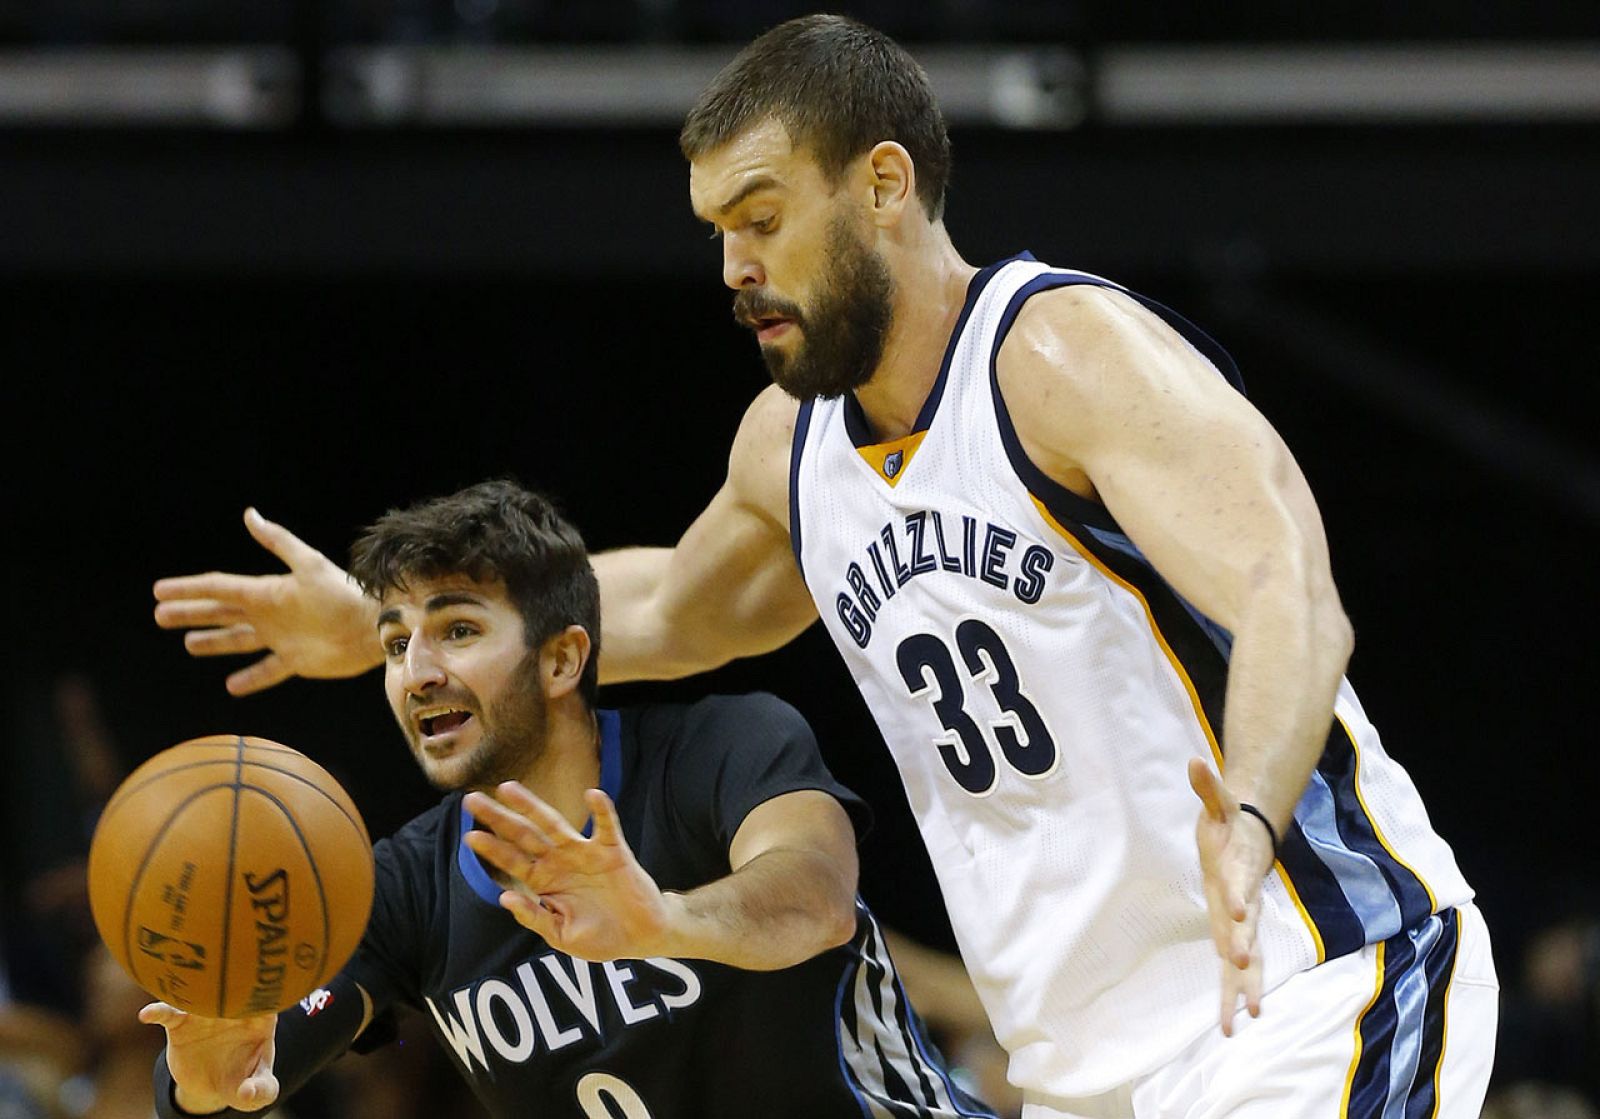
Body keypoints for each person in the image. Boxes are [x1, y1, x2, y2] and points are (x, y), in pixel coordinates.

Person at [149, 15, 1498, 1117]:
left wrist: (1252, 815)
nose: (734, 266)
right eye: (717, 231)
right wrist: (395, 627)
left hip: (1316, 976)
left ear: (885, 185)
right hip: (1089, 1066)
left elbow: (1288, 596)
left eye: (762, 216)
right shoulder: (791, 447)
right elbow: (670, 604)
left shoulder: (1061, 353)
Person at [141, 480, 993, 1119]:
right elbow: (259, 1050)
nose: (417, 669)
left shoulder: (723, 746)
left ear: (561, 660)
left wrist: (664, 921)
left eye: (459, 629)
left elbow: (815, 897)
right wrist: (201, 1077)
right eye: (396, 643)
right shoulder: (403, 886)